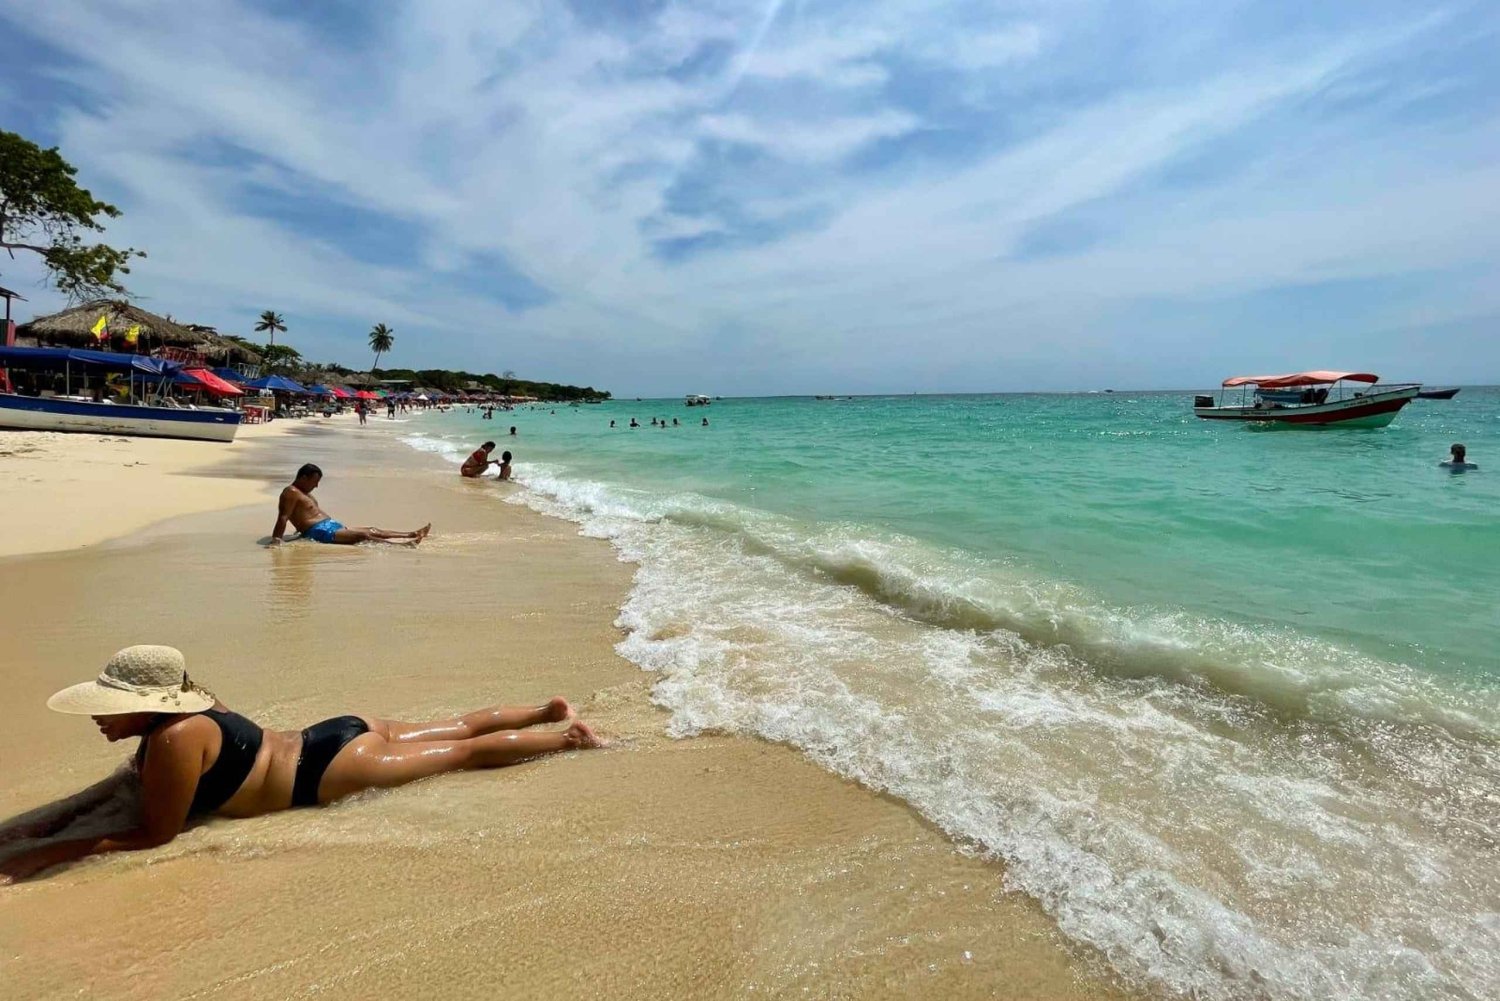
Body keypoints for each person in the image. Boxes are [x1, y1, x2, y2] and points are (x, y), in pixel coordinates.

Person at [0, 645, 604, 883]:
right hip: (333, 733)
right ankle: (542, 709)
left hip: (329, 771)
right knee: (460, 727)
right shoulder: (198, 705)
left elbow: (153, 835)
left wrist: (48, 852)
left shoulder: (173, 740)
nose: (99, 719)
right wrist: (51, 821)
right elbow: (134, 788)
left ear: (149, 707)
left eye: (109, 708)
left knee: (465, 754)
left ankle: (567, 740)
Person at [272, 463, 430, 545]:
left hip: (330, 526)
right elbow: (283, 517)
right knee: (363, 536)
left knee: (372, 529)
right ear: (303, 478)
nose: (316, 486)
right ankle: (403, 545)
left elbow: (300, 514)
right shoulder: (291, 492)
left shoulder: (304, 492)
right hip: (318, 531)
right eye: (315, 482)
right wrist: (276, 540)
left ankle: (410, 534)